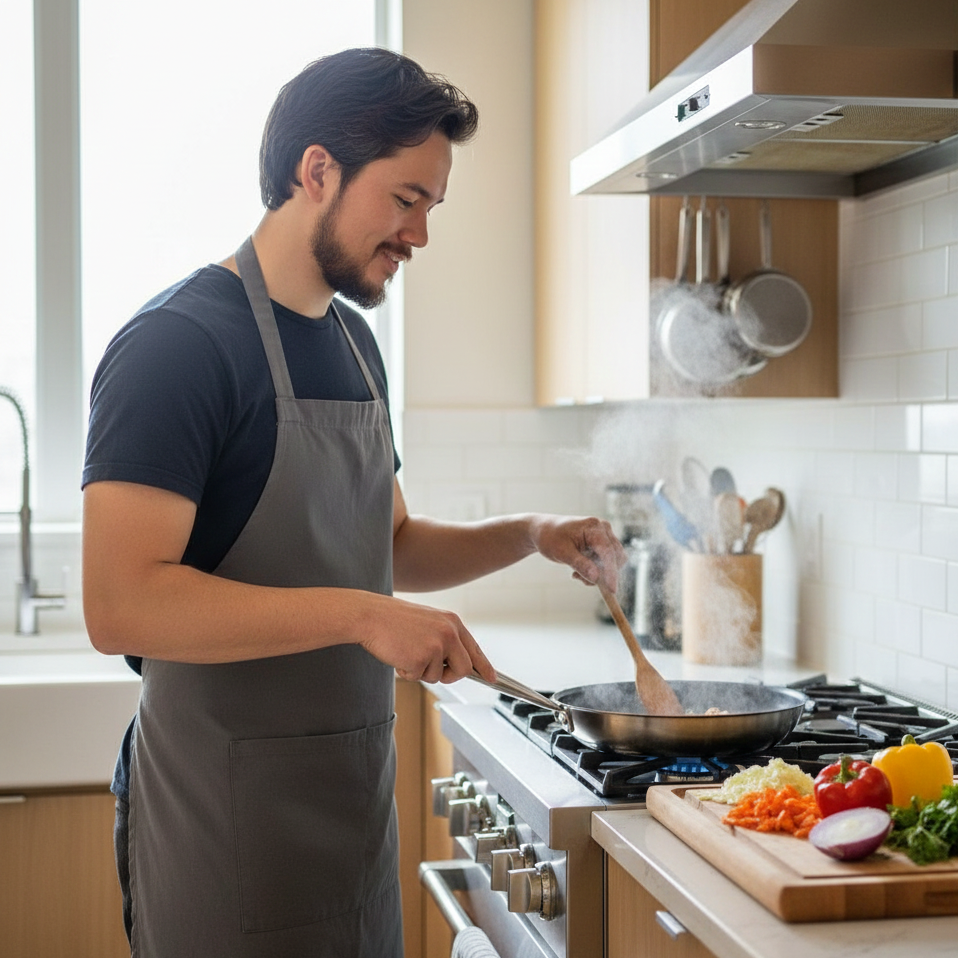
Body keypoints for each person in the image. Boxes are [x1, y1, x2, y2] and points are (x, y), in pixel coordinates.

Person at [82, 47, 625, 958]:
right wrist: (365, 617)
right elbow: (120, 604)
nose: (419, 235)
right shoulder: (175, 347)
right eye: (406, 199)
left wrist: (532, 534)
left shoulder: (354, 344)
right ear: (318, 170)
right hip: (221, 820)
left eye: (430, 208)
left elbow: (391, 540)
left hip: (350, 809)